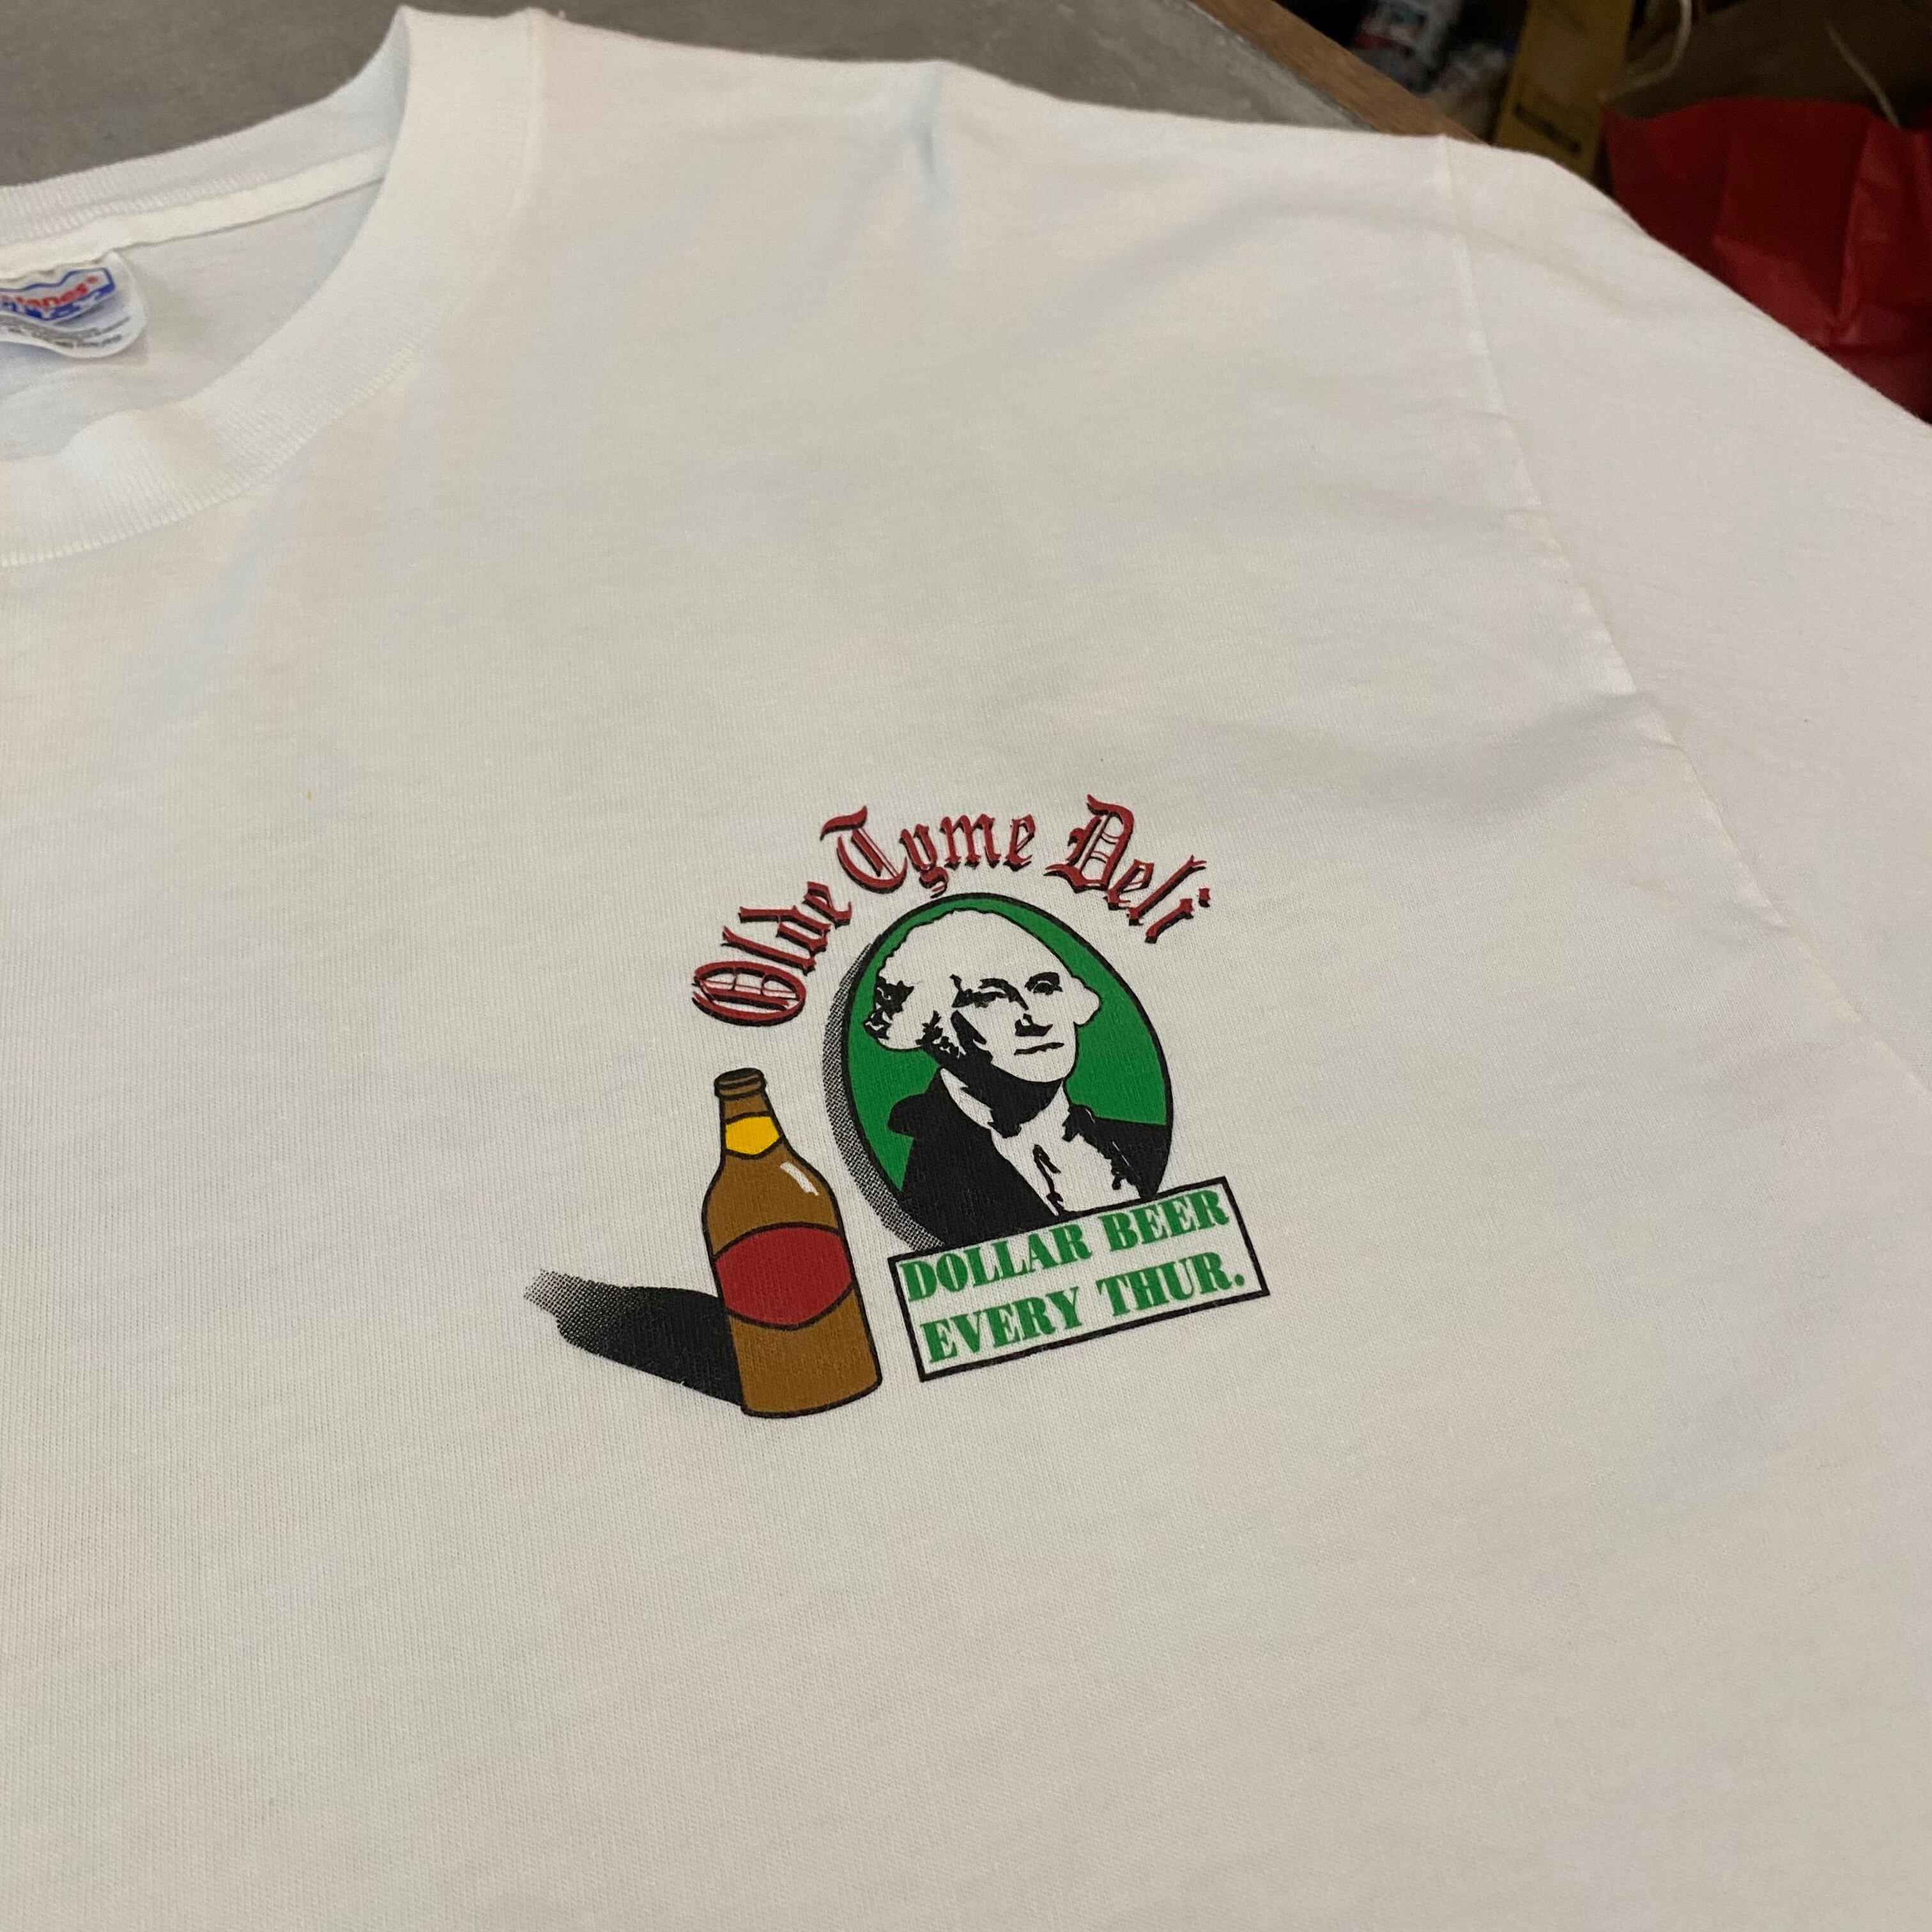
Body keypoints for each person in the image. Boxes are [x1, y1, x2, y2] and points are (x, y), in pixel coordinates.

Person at [863, 908, 1168, 1245]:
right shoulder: (933, 1191)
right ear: (934, 1031)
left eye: (1044, 988)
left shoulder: (1151, 1144)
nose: (1035, 1018)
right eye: (989, 998)